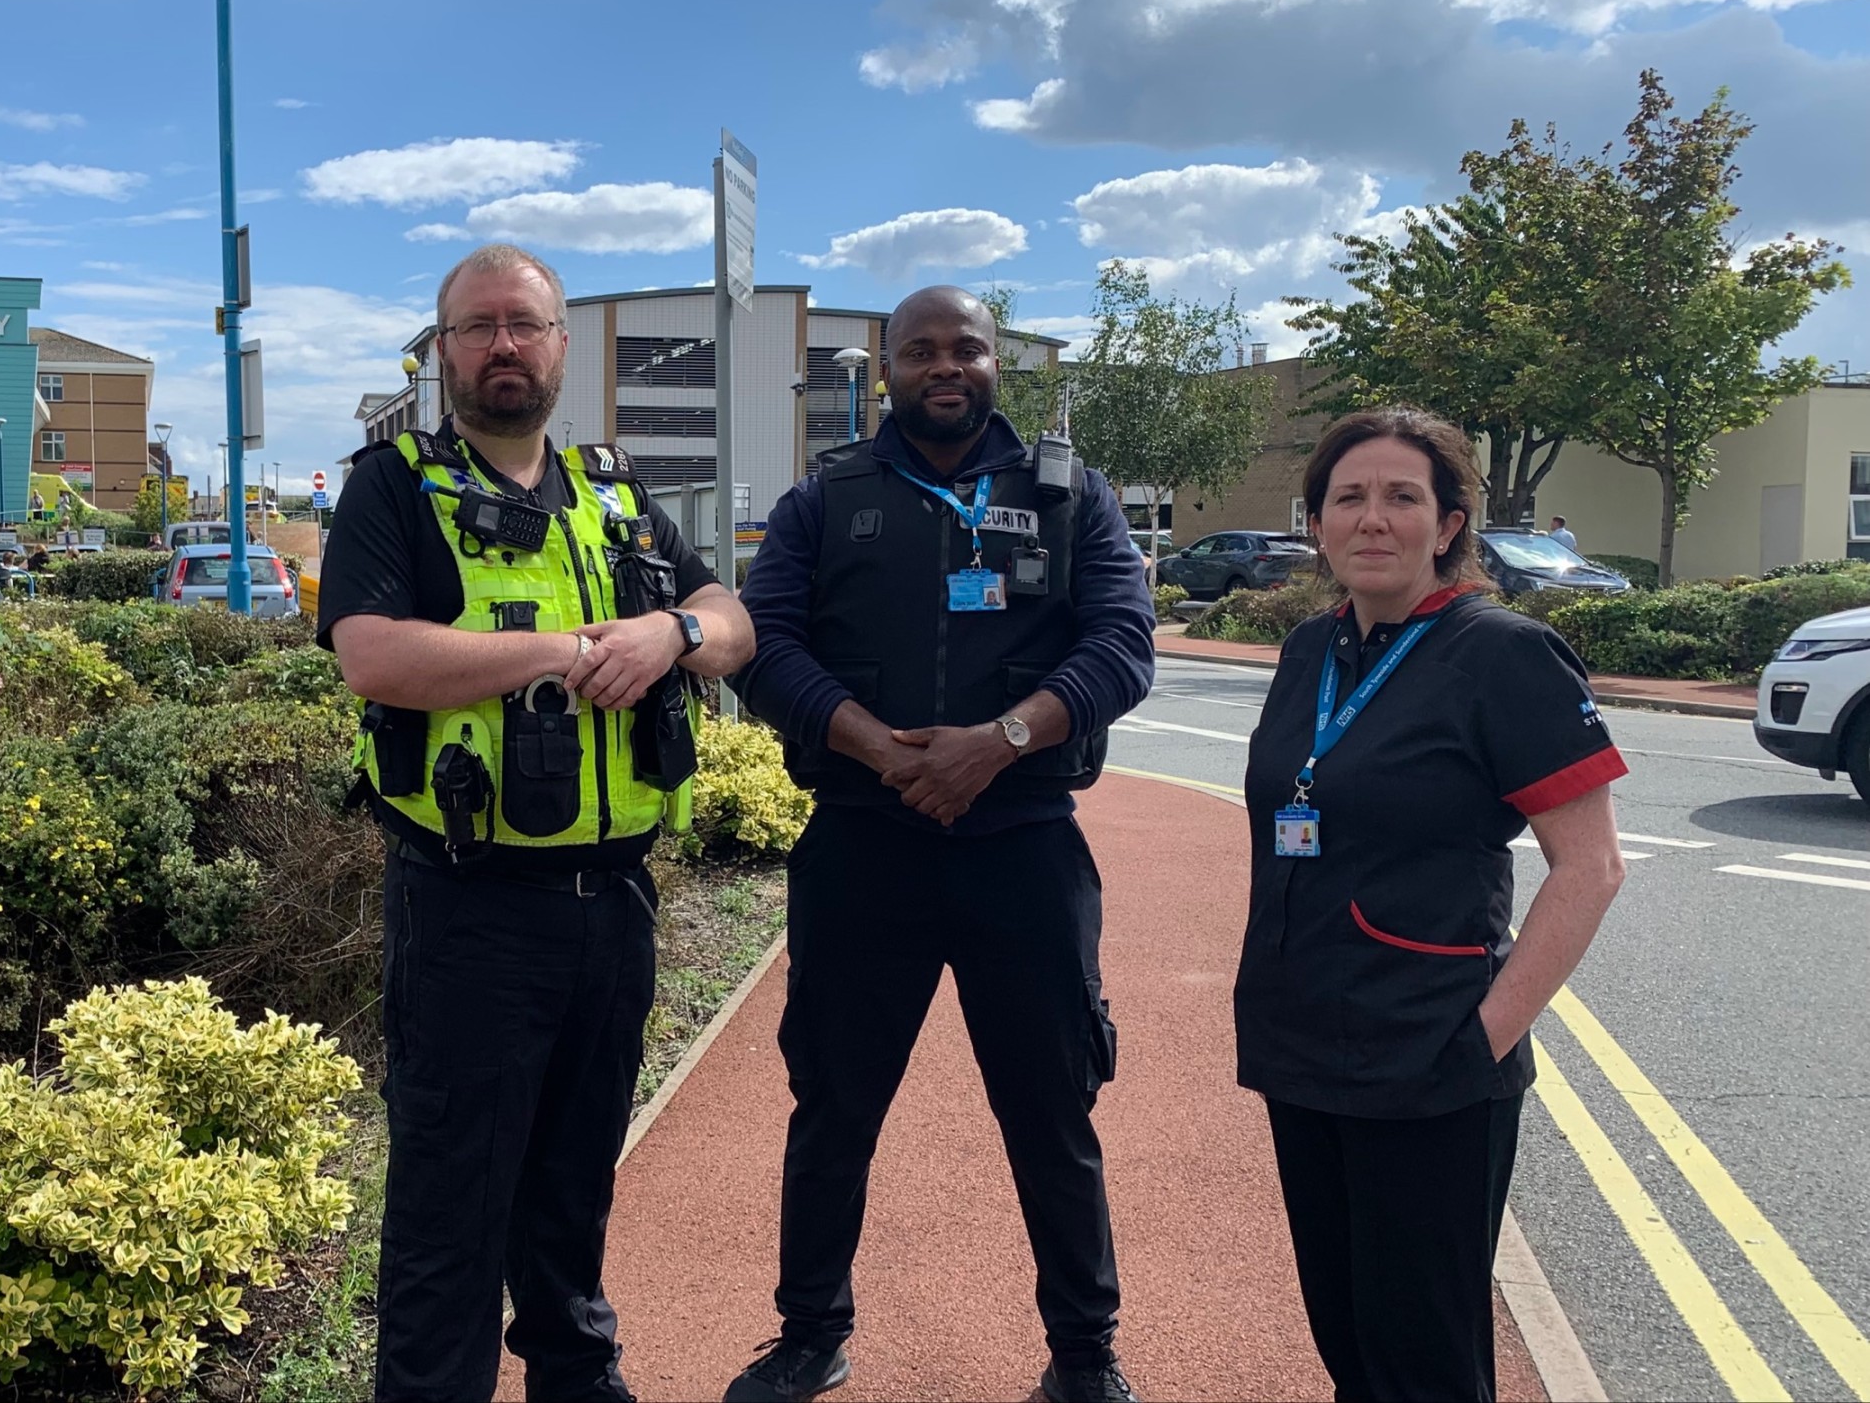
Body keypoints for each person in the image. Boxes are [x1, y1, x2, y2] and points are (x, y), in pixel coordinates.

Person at [319, 242, 755, 1403]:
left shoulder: (617, 492)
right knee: (449, 1206)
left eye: (524, 323)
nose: (502, 345)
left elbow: (730, 615)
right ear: (442, 351)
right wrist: (568, 653)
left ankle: (576, 1376)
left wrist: (673, 636)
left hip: (613, 904)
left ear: (561, 345)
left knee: (574, 1183)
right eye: (476, 327)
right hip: (468, 908)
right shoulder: (393, 487)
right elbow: (371, 652)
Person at [728, 286, 1156, 1403]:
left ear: (994, 361)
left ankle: (1084, 1356)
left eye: (964, 347)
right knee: (832, 1105)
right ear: (885, 368)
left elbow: (1123, 645)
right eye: (919, 351)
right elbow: (763, 646)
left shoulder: (1071, 497)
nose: (944, 366)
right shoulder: (826, 498)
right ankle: (810, 1334)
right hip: (863, 849)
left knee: (1052, 1111)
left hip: (1023, 847)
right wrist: (879, 748)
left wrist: (999, 744)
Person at [1236, 407, 1627, 1402]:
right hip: (1301, 1049)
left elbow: (1588, 868)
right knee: (1349, 1343)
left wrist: (1483, 1037)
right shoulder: (1308, 652)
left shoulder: (1503, 656)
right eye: (1349, 498)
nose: (1373, 519)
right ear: (1317, 523)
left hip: (1430, 1058)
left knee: (1425, 1362)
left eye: (1402, 497)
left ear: (1448, 524)